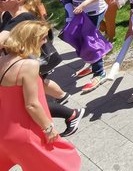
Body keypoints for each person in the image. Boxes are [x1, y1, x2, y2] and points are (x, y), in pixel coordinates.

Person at [0, 0, 84, 138]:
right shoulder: (8, 15)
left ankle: (71, 113)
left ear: (19, 0)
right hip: (18, 63)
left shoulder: (22, 17)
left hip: (27, 63)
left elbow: (2, 39)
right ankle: (65, 101)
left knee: (29, 103)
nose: (0, 1)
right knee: (31, 97)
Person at [0, 21, 82, 170]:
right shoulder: (29, 66)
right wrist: (49, 128)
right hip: (28, 133)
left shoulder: (2, 61)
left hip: (5, 133)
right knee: (65, 162)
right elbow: (31, 104)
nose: (45, 42)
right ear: (30, 39)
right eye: (43, 38)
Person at [57, 0, 110, 92]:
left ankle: (100, 72)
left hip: (92, 12)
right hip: (81, 12)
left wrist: (85, 4)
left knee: (89, 40)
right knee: (81, 38)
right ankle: (93, 63)